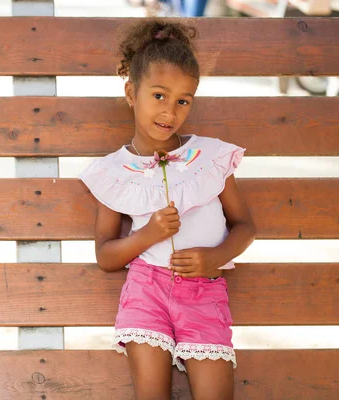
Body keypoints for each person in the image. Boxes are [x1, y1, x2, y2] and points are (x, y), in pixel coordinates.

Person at [78, 18, 256, 399]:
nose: (170, 112)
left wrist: (218, 257)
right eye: (158, 95)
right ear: (131, 92)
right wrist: (148, 235)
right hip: (147, 293)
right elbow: (106, 255)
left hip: (205, 293)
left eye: (183, 101)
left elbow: (244, 226)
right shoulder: (114, 173)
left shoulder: (210, 158)